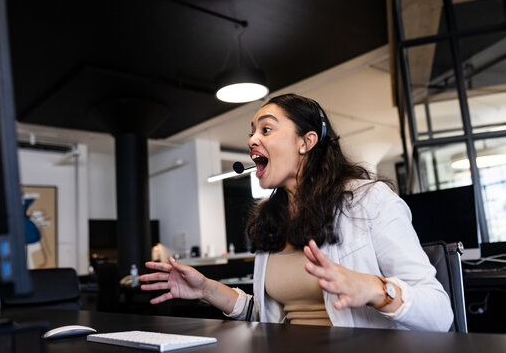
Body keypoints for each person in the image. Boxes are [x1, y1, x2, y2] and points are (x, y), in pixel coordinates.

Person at [140, 93, 453, 331]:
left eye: (266, 129)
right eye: (252, 132)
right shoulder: (270, 217)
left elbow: (440, 313)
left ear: (307, 141)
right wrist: (207, 289)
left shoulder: (369, 200)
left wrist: (374, 289)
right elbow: (270, 315)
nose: (252, 140)